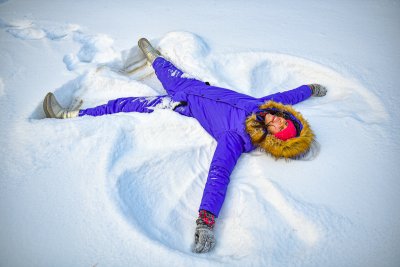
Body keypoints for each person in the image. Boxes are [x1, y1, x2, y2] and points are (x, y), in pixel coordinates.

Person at [43, 38, 327, 253]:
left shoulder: (237, 137)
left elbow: (219, 174)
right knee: (168, 70)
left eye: (278, 127)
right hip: (193, 85)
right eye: (282, 119)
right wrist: (309, 90)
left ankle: (71, 115)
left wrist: (206, 220)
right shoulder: (262, 106)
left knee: (127, 105)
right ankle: (153, 58)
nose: (276, 119)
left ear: (274, 138)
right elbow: (286, 95)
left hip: (181, 104)